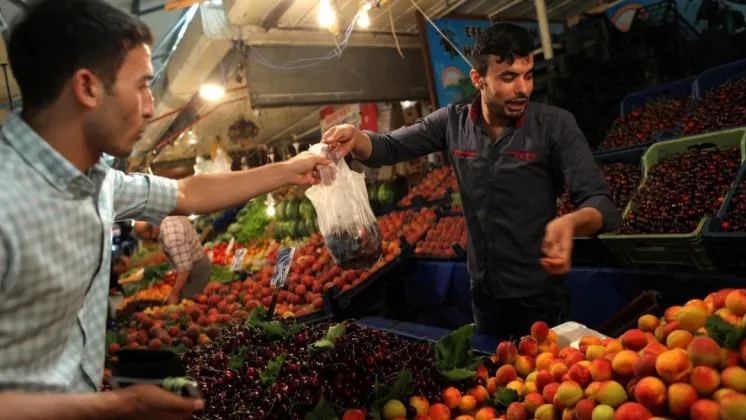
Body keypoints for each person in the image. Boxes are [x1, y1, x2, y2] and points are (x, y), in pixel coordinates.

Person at [0, 0, 330, 418]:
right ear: (87, 87)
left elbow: (187, 193)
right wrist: (116, 406)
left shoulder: (98, 182)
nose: (151, 106)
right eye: (141, 85)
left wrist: (289, 169)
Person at [322, 23, 621, 339]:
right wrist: (353, 138)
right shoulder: (453, 122)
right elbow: (390, 146)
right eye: (508, 77)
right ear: (478, 79)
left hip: (539, 295)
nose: (523, 89)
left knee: (541, 380)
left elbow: (601, 203)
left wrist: (571, 223)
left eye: (528, 75)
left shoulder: (555, 126)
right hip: (483, 294)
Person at [134, 217, 210, 305]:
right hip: (192, 264)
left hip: (197, 270)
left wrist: (174, 295)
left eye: (148, 238)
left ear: (153, 228)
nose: (149, 242)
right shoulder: (166, 220)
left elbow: (185, 269)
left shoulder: (172, 237)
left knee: (189, 303)